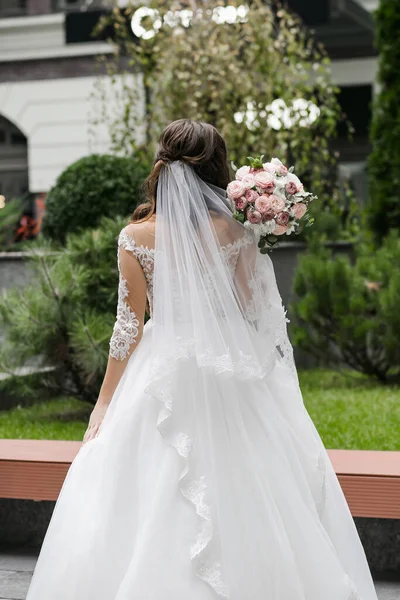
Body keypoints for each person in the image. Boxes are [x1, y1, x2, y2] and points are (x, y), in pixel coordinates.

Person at [26, 119, 378, 600]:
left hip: (162, 363)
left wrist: (104, 404)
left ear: (161, 164)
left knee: (152, 484)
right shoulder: (238, 228)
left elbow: (127, 329)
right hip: (229, 363)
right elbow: (254, 311)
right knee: (250, 481)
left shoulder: (135, 237)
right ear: (219, 167)